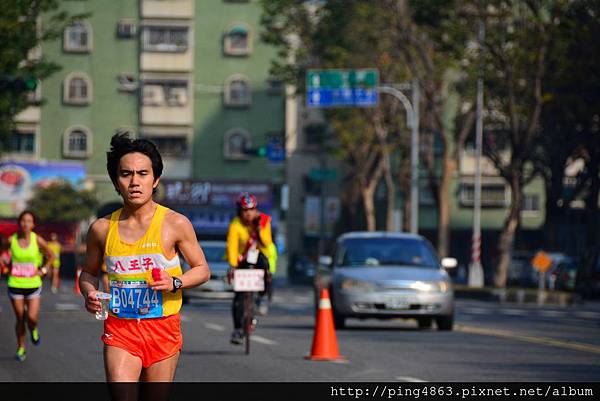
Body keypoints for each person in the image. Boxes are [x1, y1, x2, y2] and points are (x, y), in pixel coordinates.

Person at [78, 133, 210, 393]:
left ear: (155, 179)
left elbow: (202, 269)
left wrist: (175, 281)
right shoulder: (102, 229)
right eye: (126, 174)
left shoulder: (176, 223)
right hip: (120, 328)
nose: (134, 182)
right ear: (117, 181)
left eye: (142, 173)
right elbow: (88, 273)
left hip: (163, 328)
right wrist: (89, 292)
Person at [226, 192, 277, 345]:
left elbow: (267, 242)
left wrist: (259, 228)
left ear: (255, 209)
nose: (248, 214)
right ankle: (237, 330)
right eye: (244, 211)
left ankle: (262, 299)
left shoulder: (264, 220)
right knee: (239, 298)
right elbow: (232, 246)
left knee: (265, 268)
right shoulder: (235, 224)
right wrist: (233, 266)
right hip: (242, 259)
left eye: (251, 210)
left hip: (262, 256)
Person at [7, 210, 55, 362]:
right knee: (20, 317)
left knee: (32, 317)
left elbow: (51, 255)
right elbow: (2, 252)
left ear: (33, 224)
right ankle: (21, 347)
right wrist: (4, 264)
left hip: (34, 283)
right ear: (19, 223)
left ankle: (33, 329)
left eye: (29, 221)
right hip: (15, 283)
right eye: (23, 220)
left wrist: (44, 269)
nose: (25, 224)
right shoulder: (11, 240)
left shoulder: (37, 240)